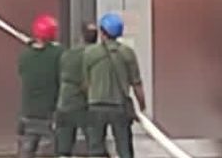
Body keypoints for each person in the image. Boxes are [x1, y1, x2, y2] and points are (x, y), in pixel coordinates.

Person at [83, 11, 145, 158]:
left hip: (96, 105)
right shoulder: (128, 53)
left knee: (95, 148)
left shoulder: (90, 53)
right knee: (124, 148)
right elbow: (136, 83)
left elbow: (86, 82)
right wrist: (142, 105)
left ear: (102, 32)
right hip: (119, 107)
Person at [16, 14, 62, 158]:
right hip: (48, 115)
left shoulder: (25, 56)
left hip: (28, 114)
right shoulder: (57, 53)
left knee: (26, 152)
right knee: (47, 152)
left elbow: (22, 70)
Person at [55, 22, 97, 157]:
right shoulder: (99, 54)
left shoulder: (68, 54)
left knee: (64, 148)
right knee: (95, 145)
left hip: (67, 102)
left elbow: (60, 75)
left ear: (81, 36)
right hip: (89, 105)